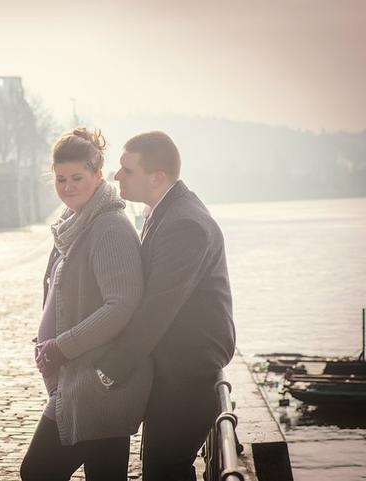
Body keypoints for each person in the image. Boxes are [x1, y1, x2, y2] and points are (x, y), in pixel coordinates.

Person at [93, 131, 236, 481]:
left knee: (165, 471)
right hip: (173, 369)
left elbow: (157, 308)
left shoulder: (184, 223)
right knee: (162, 469)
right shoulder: (166, 210)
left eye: (127, 170)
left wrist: (109, 370)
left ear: (157, 177)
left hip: (187, 373)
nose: (117, 175)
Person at [20, 127, 153, 481]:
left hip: (96, 383)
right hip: (89, 380)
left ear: (97, 175)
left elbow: (121, 304)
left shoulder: (108, 227)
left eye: (77, 178)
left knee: (37, 472)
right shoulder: (76, 223)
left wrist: (60, 347)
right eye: (60, 179)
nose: (67, 187)